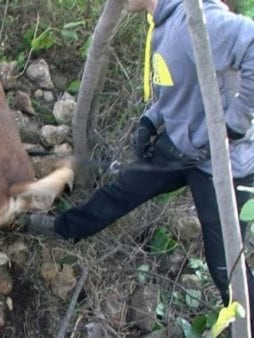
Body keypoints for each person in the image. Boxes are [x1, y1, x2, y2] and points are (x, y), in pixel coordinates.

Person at [24, 0, 254, 329]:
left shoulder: (199, 20)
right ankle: (65, 229)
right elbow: (174, 89)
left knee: (226, 269)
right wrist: (150, 120)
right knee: (122, 190)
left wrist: (235, 122)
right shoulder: (161, 26)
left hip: (223, 163)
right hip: (181, 148)